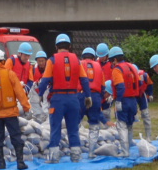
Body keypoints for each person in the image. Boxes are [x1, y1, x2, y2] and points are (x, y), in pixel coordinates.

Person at [38, 34, 92, 163]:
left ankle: (54, 157)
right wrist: (88, 95)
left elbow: (45, 80)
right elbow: (84, 80)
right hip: (73, 98)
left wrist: (40, 94)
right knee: (73, 128)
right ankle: (76, 156)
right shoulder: (77, 60)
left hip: (58, 99)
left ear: (56, 46)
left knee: (55, 127)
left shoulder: (52, 60)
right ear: (70, 46)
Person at [0, 48, 32, 170]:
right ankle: (20, 163)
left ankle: (1, 163)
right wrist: (26, 107)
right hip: (10, 113)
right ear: (3, 60)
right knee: (16, 137)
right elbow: (20, 92)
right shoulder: (10, 74)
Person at [108, 46, 140, 157]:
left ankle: (125, 152)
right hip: (133, 100)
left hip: (124, 100)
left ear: (115, 59)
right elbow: (139, 83)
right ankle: (129, 149)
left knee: (122, 126)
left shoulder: (117, 70)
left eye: (111, 61)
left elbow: (121, 86)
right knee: (130, 125)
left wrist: (118, 101)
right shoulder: (131, 67)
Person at [80, 47, 104, 157]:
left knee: (75, 124)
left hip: (81, 95)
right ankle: (91, 152)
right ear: (94, 57)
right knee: (94, 125)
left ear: (83, 57)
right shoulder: (99, 66)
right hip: (95, 96)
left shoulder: (79, 64)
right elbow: (103, 86)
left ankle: (76, 151)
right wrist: (100, 99)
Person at [134, 63, 154, 141]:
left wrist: (150, 94)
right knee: (131, 115)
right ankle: (129, 137)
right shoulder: (127, 76)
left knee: (146, 115)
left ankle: (148, 136)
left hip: (142, 95)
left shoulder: (144, 75)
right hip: (133, 96)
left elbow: (150, 84)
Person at [30, 50, 49, 122]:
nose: (41, 63)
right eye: (39, 61)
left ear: (45, 60)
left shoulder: (50, 68)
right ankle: (39, 120)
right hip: (37, 93)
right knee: (36, 108)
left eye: (42, 61)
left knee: (47, 109)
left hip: (48, 93)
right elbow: (31, 81)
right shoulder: (33, 69)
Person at [97, 43, 113, 124]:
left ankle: (107, 127)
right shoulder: (96, 63)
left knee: (106, 112)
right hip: (98, 91)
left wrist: (112, 94)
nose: (101, 58)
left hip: (108, 92)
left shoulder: (111, 65)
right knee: (97, 112)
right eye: (100, 56)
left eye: (103, 56)